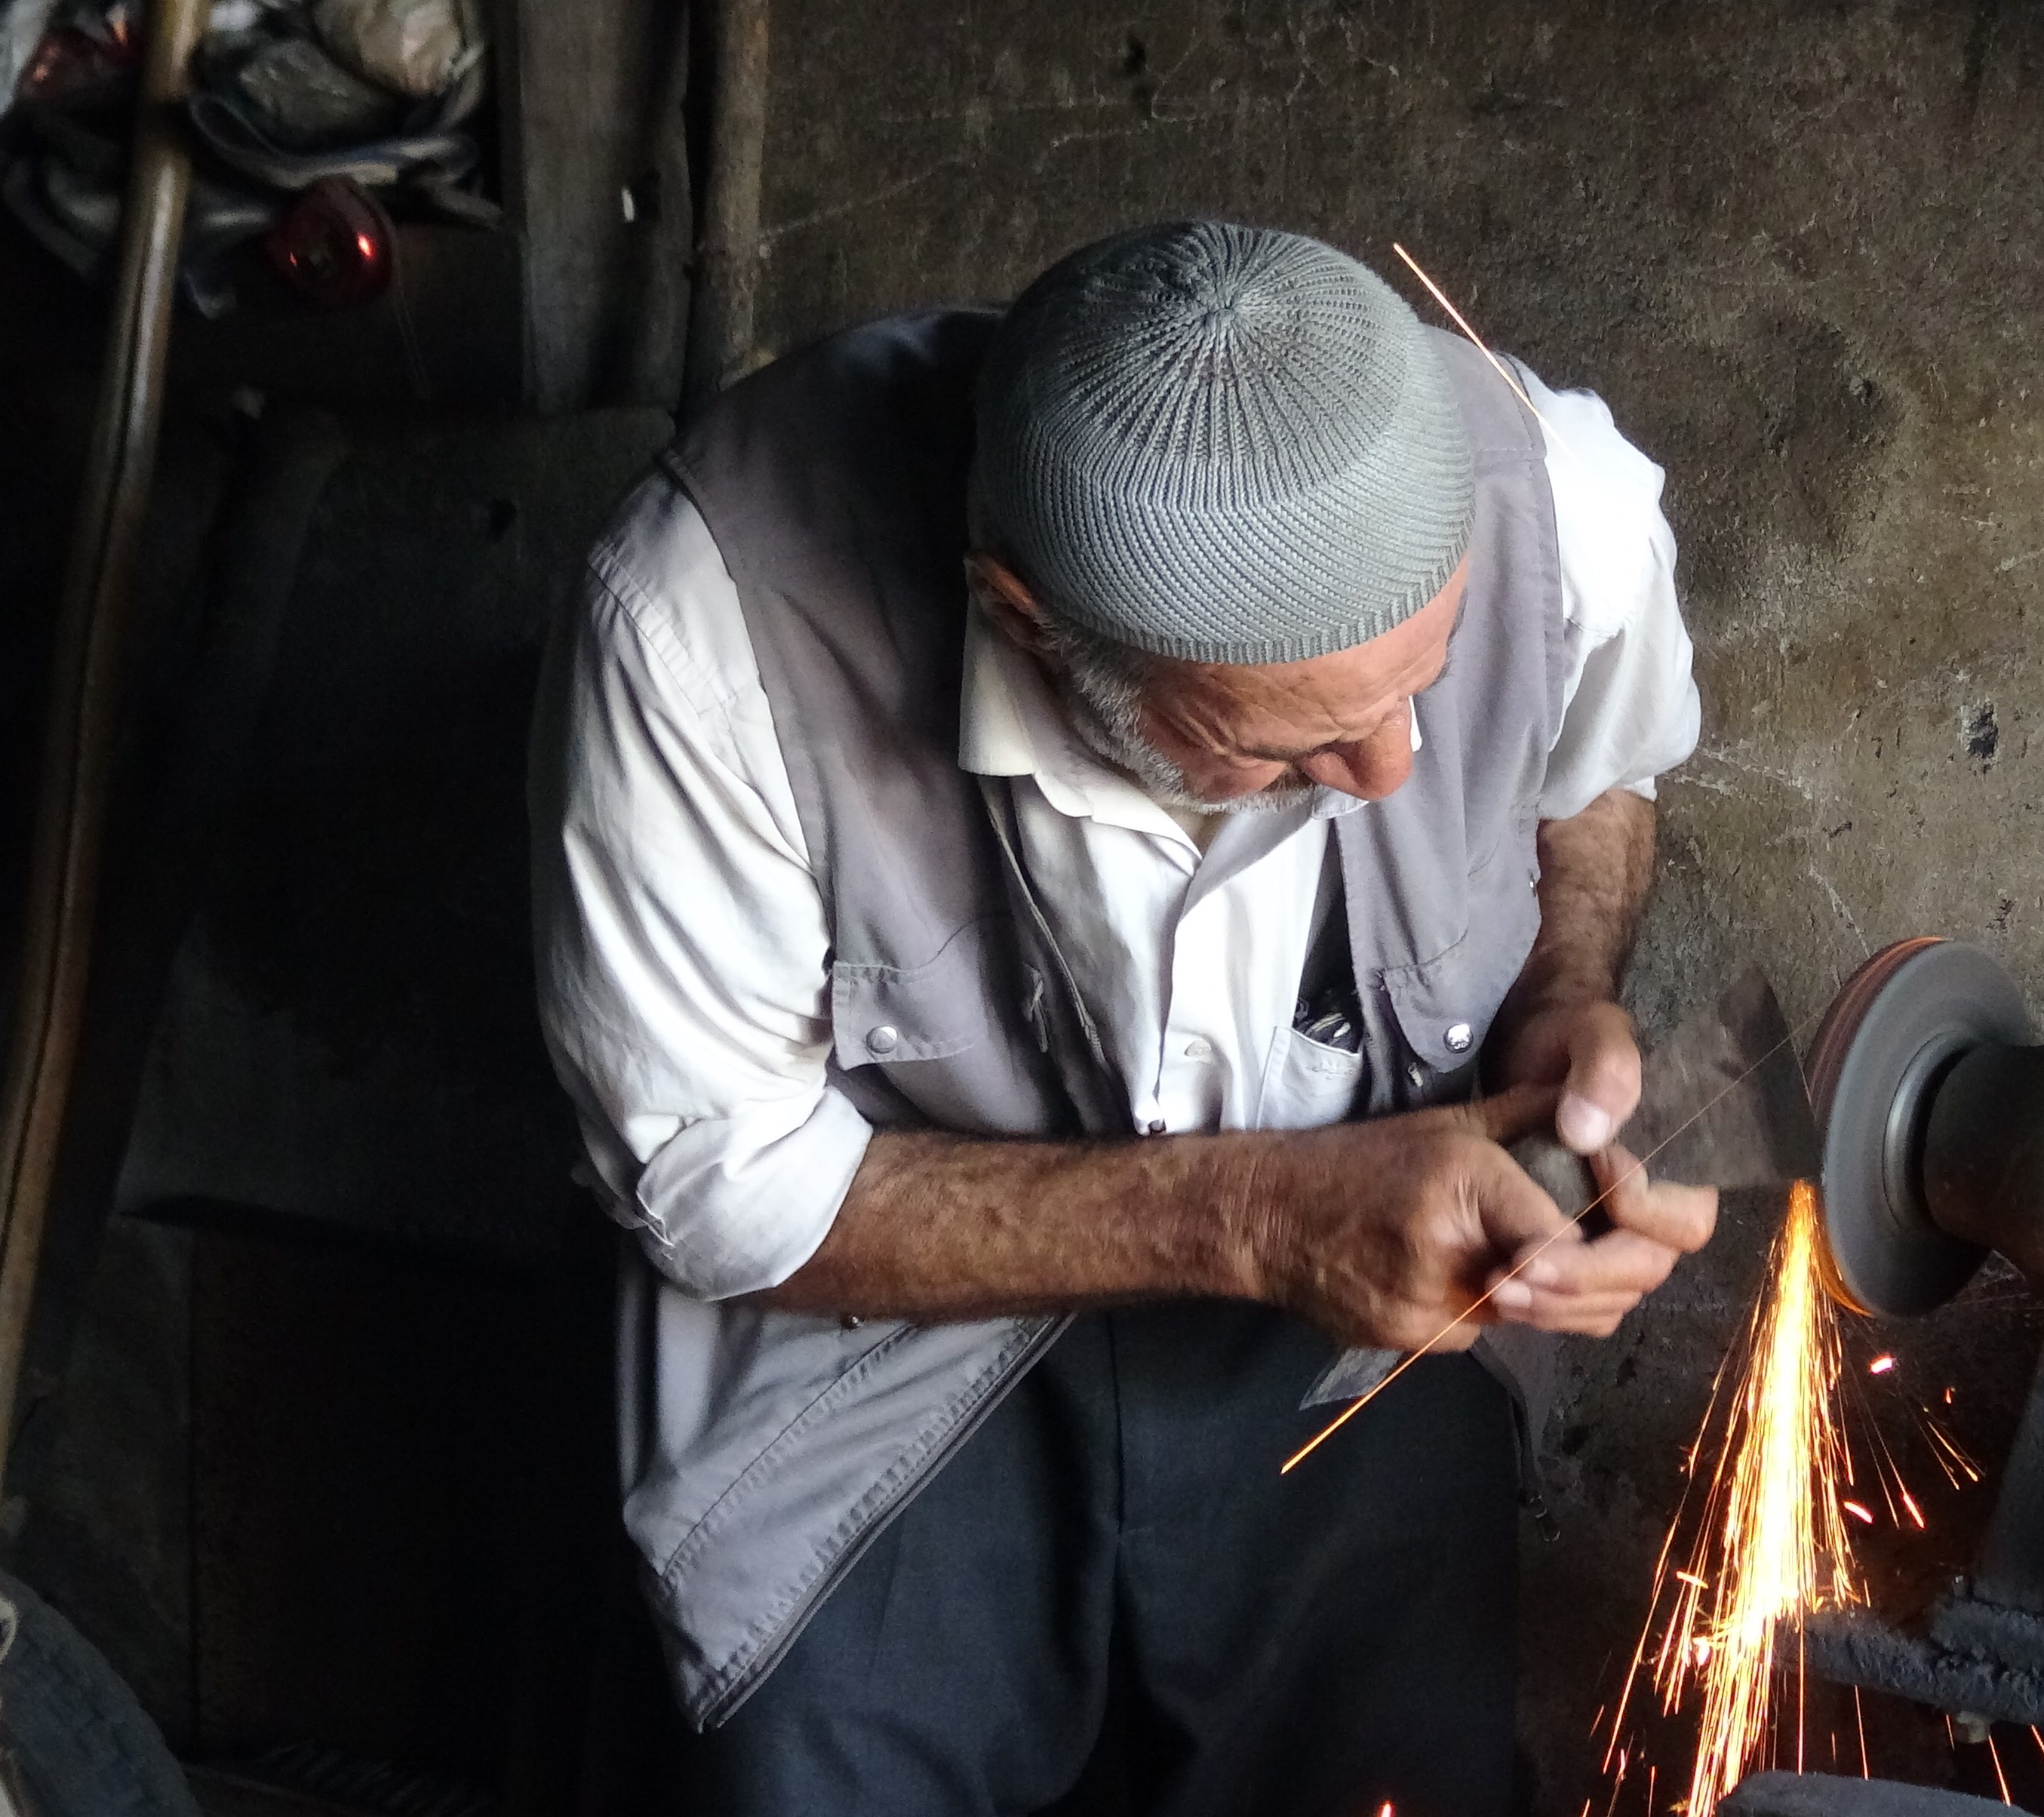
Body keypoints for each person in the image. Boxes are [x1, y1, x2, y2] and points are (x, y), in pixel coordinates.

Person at [529, 219, 1717, 1815]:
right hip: (879, 1351)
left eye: (1419, 686)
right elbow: (727, 1189)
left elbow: (1595, 773)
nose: (1392, 777)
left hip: (1355, 1347)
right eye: (1289, 748)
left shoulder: (1551, 495)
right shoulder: (701, 621)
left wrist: (1558, 993)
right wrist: (1257, 1216)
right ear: (1023, 618)